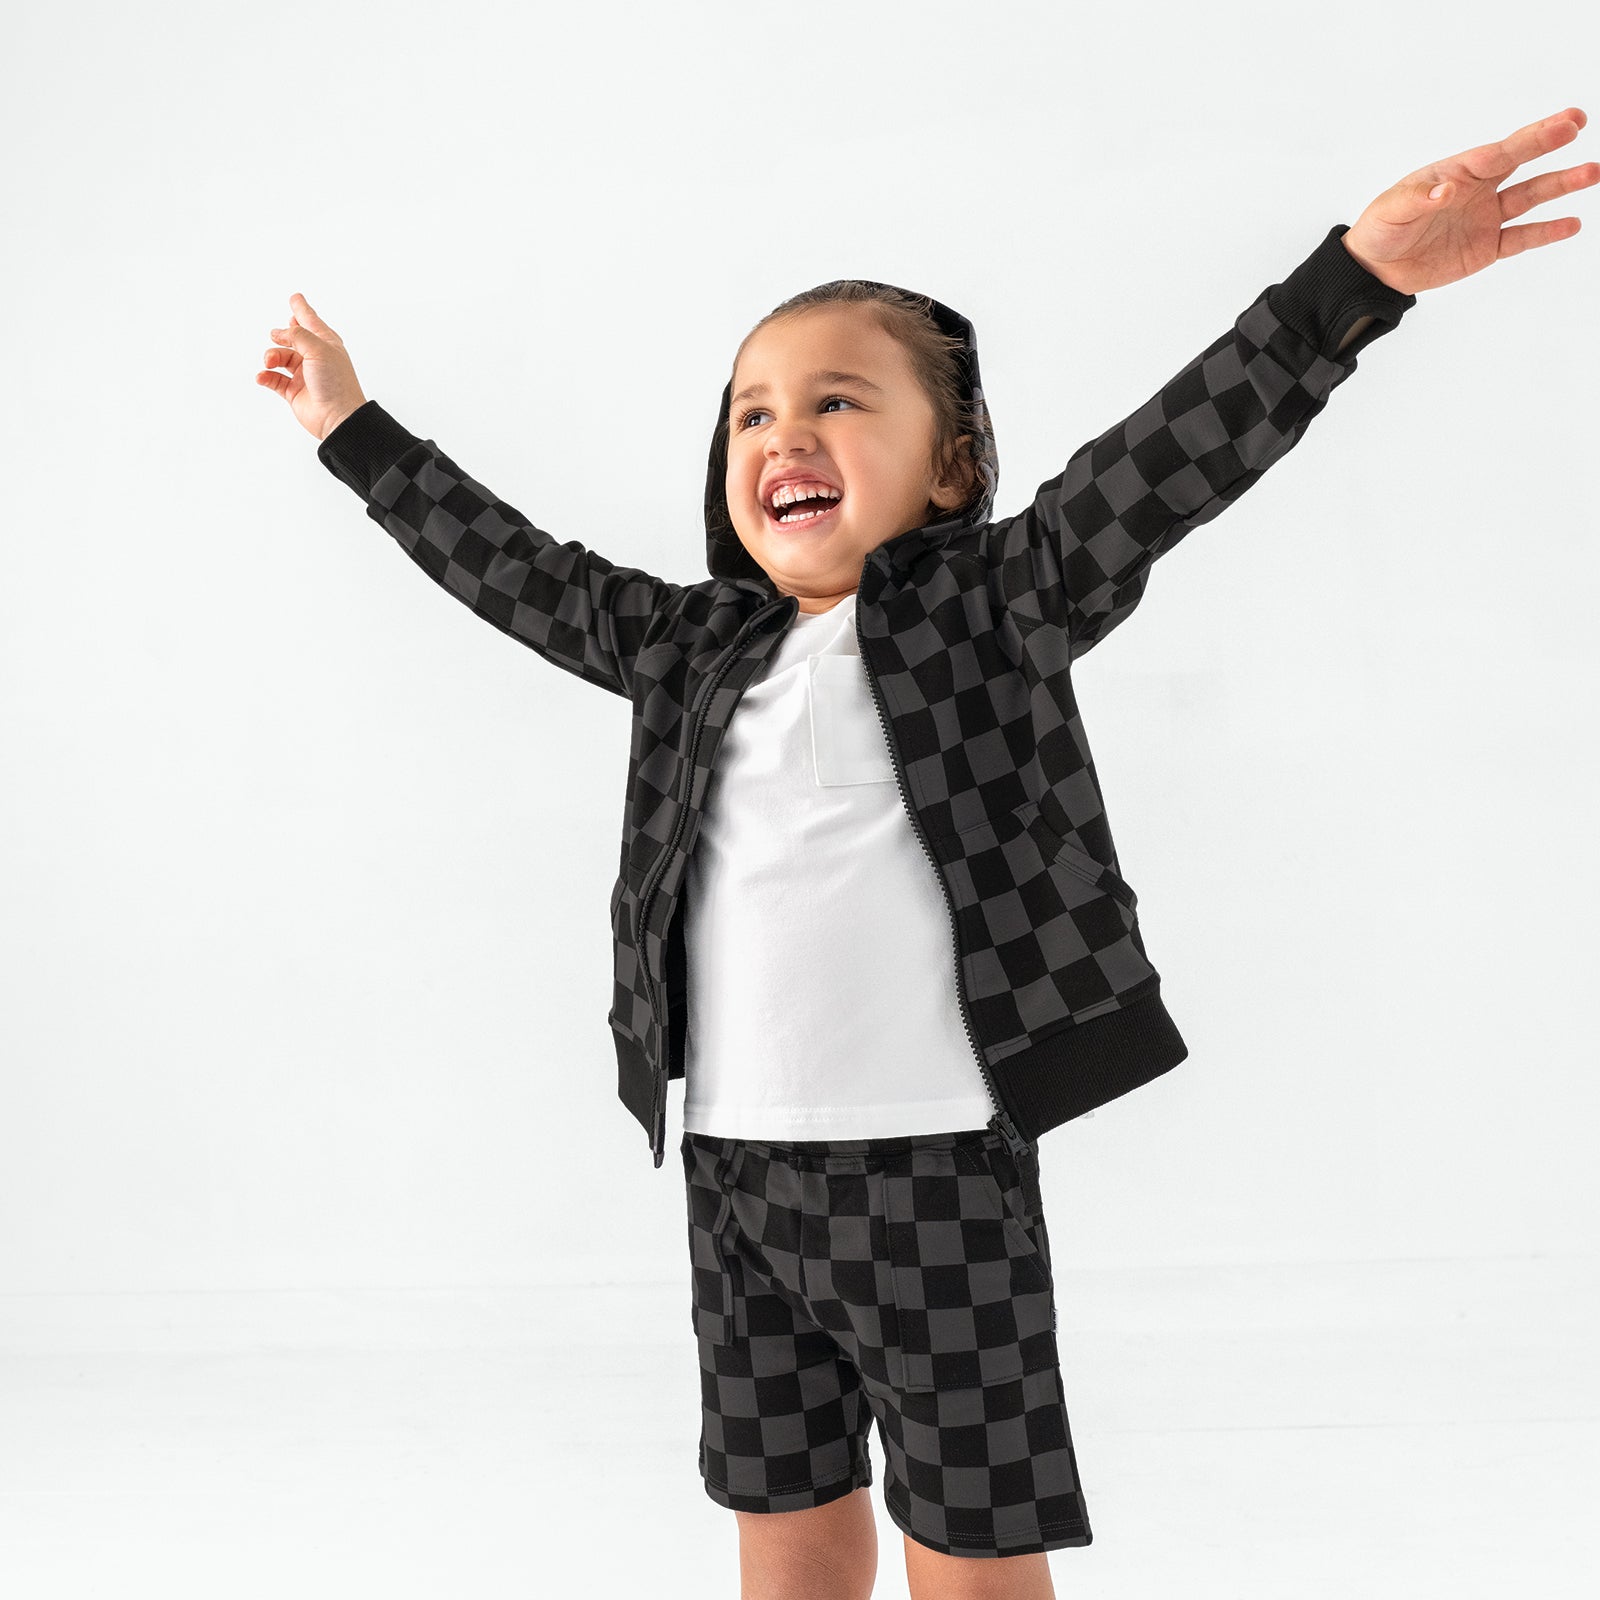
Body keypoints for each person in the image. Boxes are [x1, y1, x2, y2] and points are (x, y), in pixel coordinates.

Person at [257, 107, 1592, 1598]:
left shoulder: (997, 603)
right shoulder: (693, 646)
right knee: (787, 1526)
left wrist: (1355, 281)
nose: (785, 437)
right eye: (753, 414)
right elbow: (517, 574)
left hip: (935, 1173)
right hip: (734, 1172)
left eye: (838, 403)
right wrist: (353, 432)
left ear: (950, 469)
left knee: (969, 1547)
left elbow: (1171, 459)